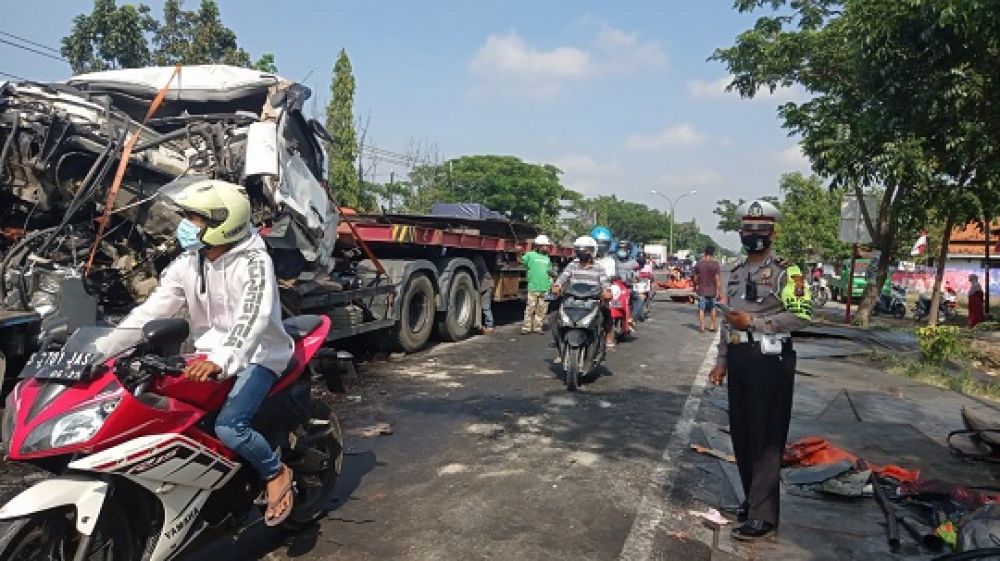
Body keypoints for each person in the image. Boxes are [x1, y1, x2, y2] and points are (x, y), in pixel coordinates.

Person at [95, 179, 297, 526]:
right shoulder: (190, 262)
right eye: (187, 216)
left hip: (258, 354)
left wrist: (222, 359)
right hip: (206, 356)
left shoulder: (254, 262)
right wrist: (100, 351)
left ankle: (275, 471)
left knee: (230, 427)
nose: (186, 225)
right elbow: (150, 312)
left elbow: (253, 317)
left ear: (224, 221)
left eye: (196, 218)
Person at [709, 199, 811, 541]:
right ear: (740, 232)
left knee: (767, 438)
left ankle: (764, 515)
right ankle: (752, 502)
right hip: (740, 358)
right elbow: (728, 320)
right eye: (748, 229)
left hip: (771, 361)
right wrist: (721, 361)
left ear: (773, 233)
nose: (754, 235)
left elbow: (801, 315)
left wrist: (755, 322)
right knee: (742, 434)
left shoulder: (788, 272)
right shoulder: (735, 272)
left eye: (761, 229)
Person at [550, 235, 615, 355]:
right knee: (554, 317)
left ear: (593, 251)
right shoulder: (572, 265)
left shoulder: (598, 268)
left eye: (586, 250)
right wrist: (556, 286)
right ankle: (559, 342)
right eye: (580, 250)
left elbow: (605, 283)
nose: (583, 252)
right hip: (573, 300)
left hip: (592, 300)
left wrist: (607, 291)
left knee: (607, 315)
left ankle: (609, 340)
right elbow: (563, 278)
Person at [521, 235, 553, 334]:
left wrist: (552, 281)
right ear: (538, 246)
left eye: (547, 246)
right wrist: (518, 253)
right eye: (544, 246)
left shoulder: (547, 258)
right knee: (530, 308)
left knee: (542, 309)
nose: (546, 248)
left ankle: (537, 327)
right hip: (533, 287)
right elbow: (521, 261)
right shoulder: (530, 255)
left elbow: (549, 271)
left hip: (545, 287)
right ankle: (526, 328)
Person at [693, 245, 722, 333]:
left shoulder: (699, 264)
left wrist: (696, 285)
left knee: (701, 309)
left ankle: (702, 327)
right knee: (713, 308)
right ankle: (712, 326)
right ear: (712, 254)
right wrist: (719, 291)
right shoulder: (715, 264)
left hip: (702, 290)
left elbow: (695, 279)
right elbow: (717, 279)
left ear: (705, 253)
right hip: (712, 291)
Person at [474, 255, 496, 334]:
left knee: (486, 307)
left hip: (485, 286)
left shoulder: (478, 259)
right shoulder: (479, 258)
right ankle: (483, 325)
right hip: (484, 286)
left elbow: (474, 267)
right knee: (484, 307)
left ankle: (490, 326)